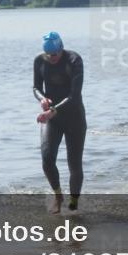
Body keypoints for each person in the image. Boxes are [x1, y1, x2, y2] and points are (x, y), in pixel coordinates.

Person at [33, 32, 86, 213]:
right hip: (52, 118)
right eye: (48, 54)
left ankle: (73, 203)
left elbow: (75, 94)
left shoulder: (74, 60)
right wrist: (41, 98)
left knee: (74, 164)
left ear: (61, 48)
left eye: (55, 54)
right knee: (47, 160)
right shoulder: (39, 61)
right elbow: (36, 87)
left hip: (74, 117)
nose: (52, 58)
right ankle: (58, 195)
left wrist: (52, 111)